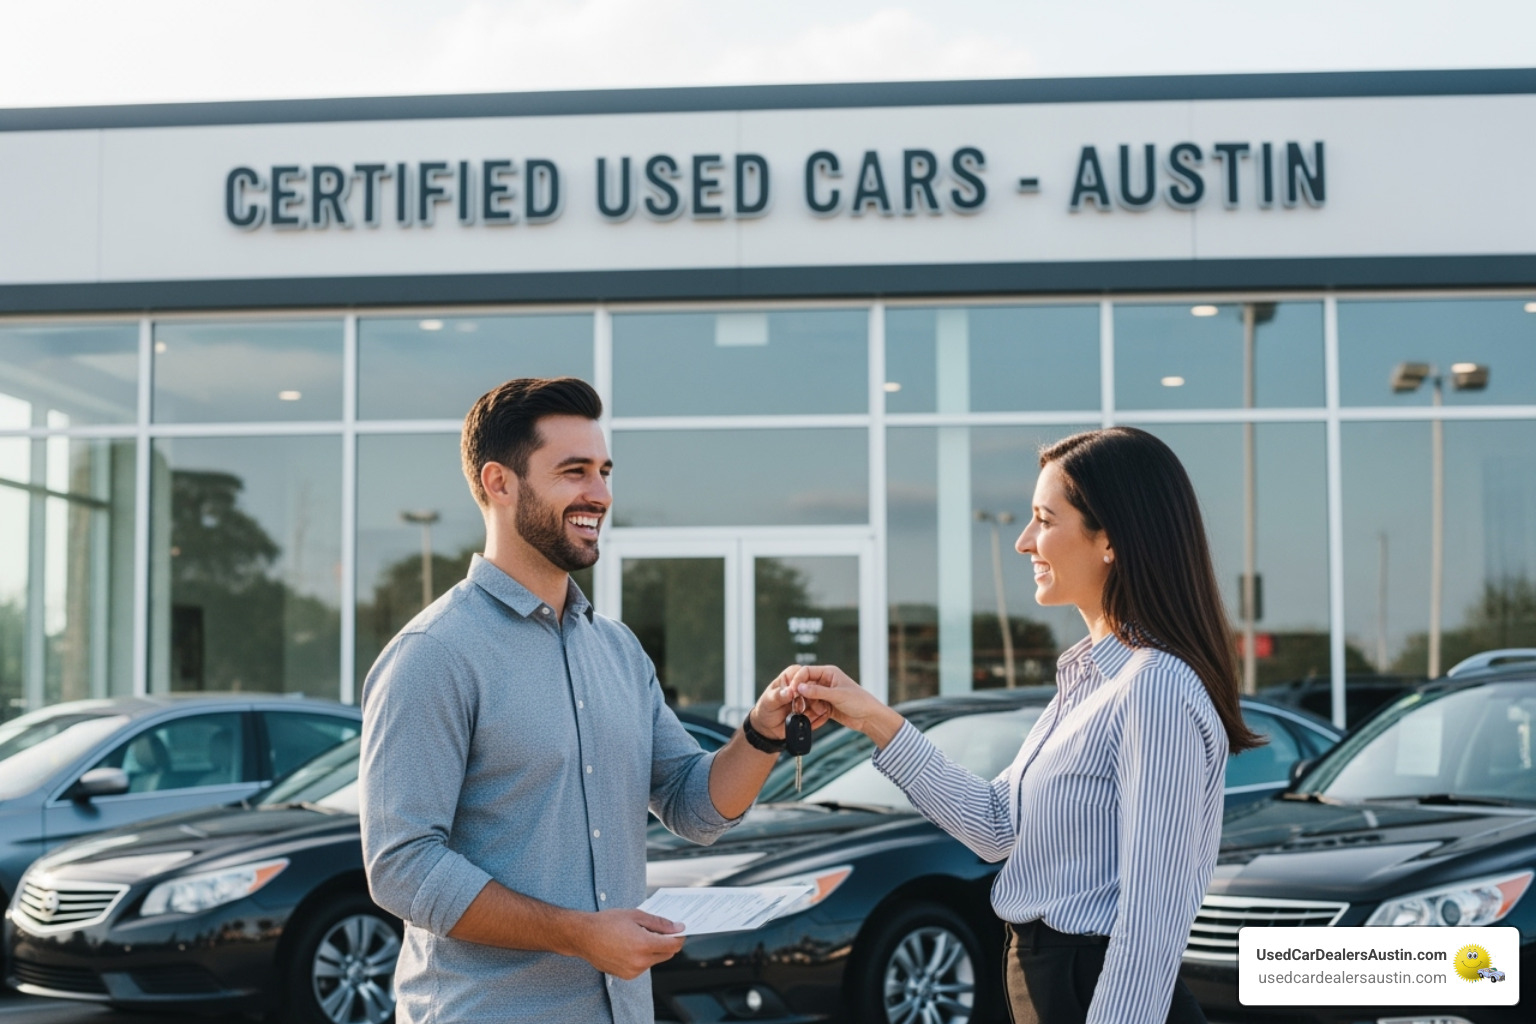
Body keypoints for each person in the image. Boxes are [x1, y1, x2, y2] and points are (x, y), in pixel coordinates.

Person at [359, 377, 823, 1024]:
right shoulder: (433, 654)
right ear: (500, 483)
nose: (600, 494)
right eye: (574, 471)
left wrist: (761, 731)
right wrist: (578, 933)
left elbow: (693, 806)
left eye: (603, 471)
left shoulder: (617, 649)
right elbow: (402, 867)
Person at [789, 426, 1263, 1024]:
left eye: (1044, 519)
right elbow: (995, 826)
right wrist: (877, 721)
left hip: (1097, 991)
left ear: (1111, 540)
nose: (1022, 542)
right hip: (1049, 979)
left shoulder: (1155, 688)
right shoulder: (1090, 683)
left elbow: (1153, 917)